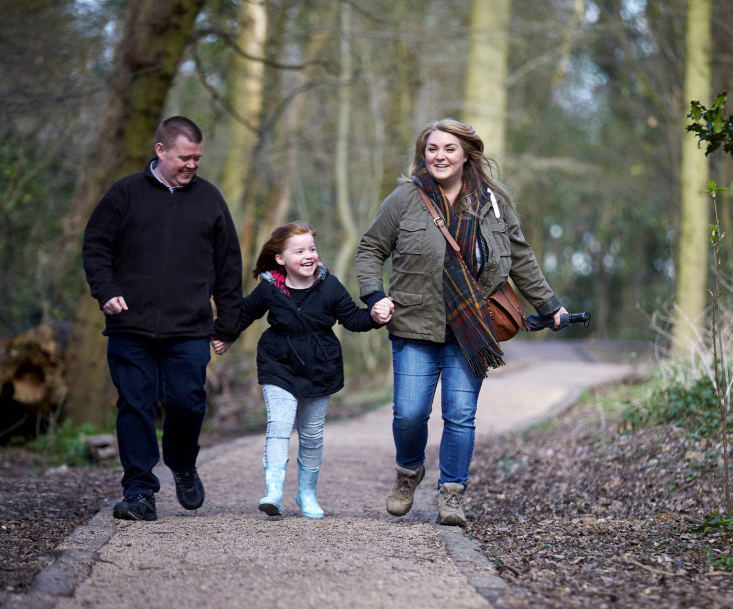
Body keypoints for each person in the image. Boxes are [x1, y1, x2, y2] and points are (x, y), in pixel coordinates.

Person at [355, 118, 568, 527]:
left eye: (449, 149)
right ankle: (408, 472)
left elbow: (521, 259)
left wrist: (550, 304)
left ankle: (451, 494)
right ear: (424, 154)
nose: (439, 156)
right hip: (415, 323)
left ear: (467, 154)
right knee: (409, 414)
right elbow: (370, 247)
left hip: (472, 325)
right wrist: (374, 294)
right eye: (432, 148)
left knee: (459, 414)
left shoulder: (493, 203)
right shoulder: (405, 198)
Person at [82, 116, 243, 522]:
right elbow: (96, 246)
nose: (192, 165)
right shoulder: (125, 194)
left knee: (187, 403)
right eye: (184, 158)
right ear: (160, 151)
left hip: (189, 326)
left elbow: (228, 267)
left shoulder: (210, 200)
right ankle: (139, 491)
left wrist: (227, 324)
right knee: (134, 404)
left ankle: (183, 463)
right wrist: (107, 290)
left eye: (197, 159)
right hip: (130, 325)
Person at [213, 222, 393, 518]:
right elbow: (243, 314)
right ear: (281, 259)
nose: (309, 255)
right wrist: (226, 335)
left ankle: (306, 493)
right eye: (299, 251)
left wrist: (375, 315)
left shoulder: (330, 286)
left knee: (311, 435)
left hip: (320, 368)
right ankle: (273, 492)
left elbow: (353, 320)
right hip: (278, 364)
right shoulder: (270, 288)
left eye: (312, 248)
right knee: (280, 424)